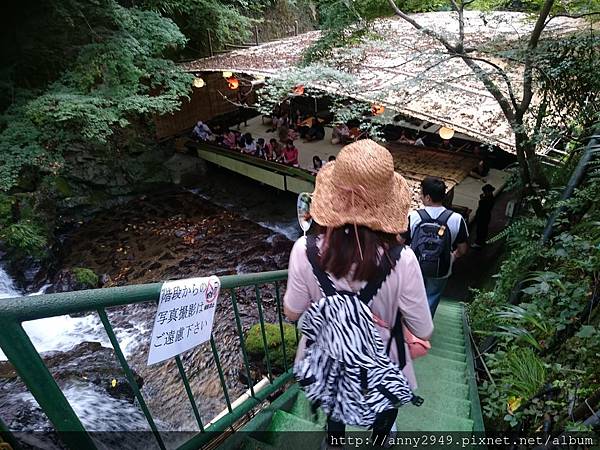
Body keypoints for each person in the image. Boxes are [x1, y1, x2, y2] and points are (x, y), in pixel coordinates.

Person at [284, 140, 433, 449]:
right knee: (386, 409)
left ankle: (334, 441)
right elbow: (423, 329)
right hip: (384, 362)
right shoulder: (403, 260)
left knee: (334, 406)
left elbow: (292, 314)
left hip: (328, 358)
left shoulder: (304, 251)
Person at [400, 177, 468, 317]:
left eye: (421, 193)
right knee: (432, 296)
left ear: (428, 197)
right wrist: (452, 257)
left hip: (415, 266)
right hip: (442, 268)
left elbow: (399, 241)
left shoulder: (414, 216)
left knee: (411, 297)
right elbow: (463, 249)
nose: (420, 196)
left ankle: (406, 326)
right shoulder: (456, 219)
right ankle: (422, 330)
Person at [472, 184, 495, 248]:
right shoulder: (489, 198)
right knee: (482, 229)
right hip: (484, 215)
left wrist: (482, 199)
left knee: (481, 229)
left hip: (484, 216)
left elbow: (483, 207)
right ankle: (481, 241)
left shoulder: (488, 199)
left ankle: (478, 243)